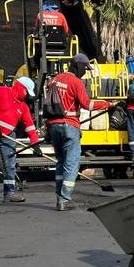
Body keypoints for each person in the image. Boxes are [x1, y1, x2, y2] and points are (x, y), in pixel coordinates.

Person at [46, 53, 115, 211]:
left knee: (61, 162)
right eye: (85, 68)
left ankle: (59, 196)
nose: (85, 72)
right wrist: (107, 104)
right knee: (72, 163)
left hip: (53, 126)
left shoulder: (54, 80)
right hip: (69, 126)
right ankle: (64, 200)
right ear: (78, 66)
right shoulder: (76, 82)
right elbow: (86, 104)